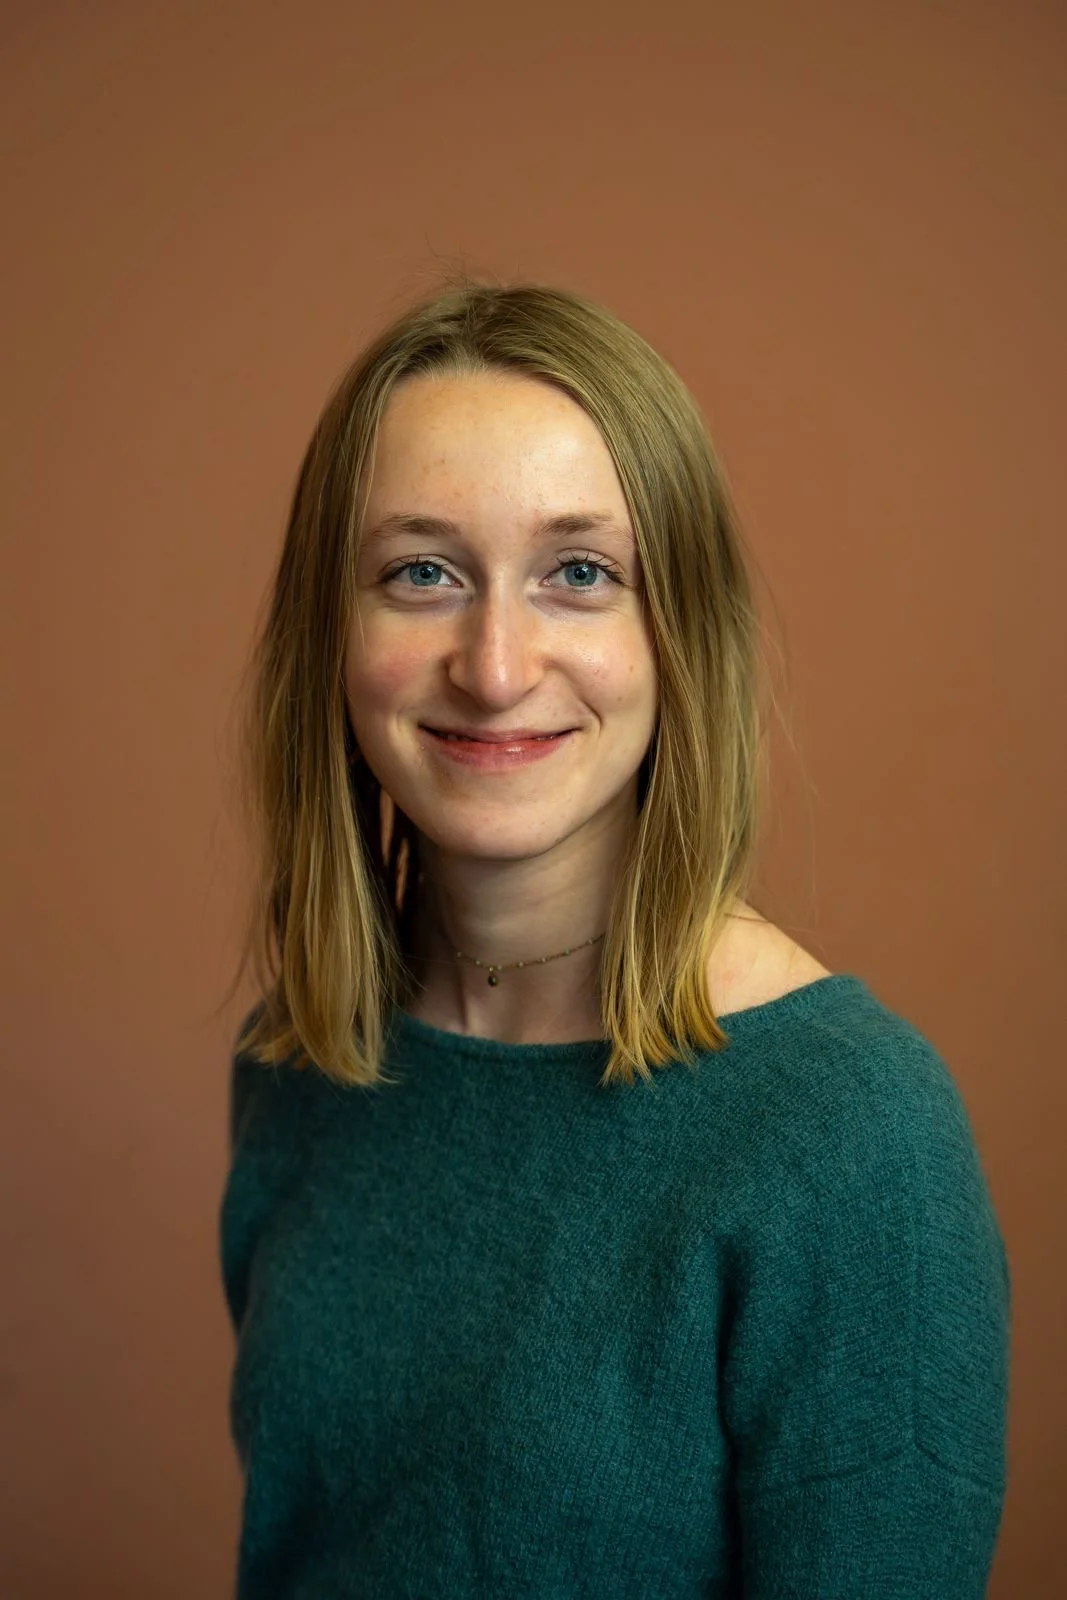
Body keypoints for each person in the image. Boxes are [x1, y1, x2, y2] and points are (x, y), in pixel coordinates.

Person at [218, 279, 1011, 1597]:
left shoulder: (848, 1129)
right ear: (333, 633)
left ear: (674, 631)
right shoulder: (305, 1062)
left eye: (577, 574)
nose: (495, 661)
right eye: (421, 573)